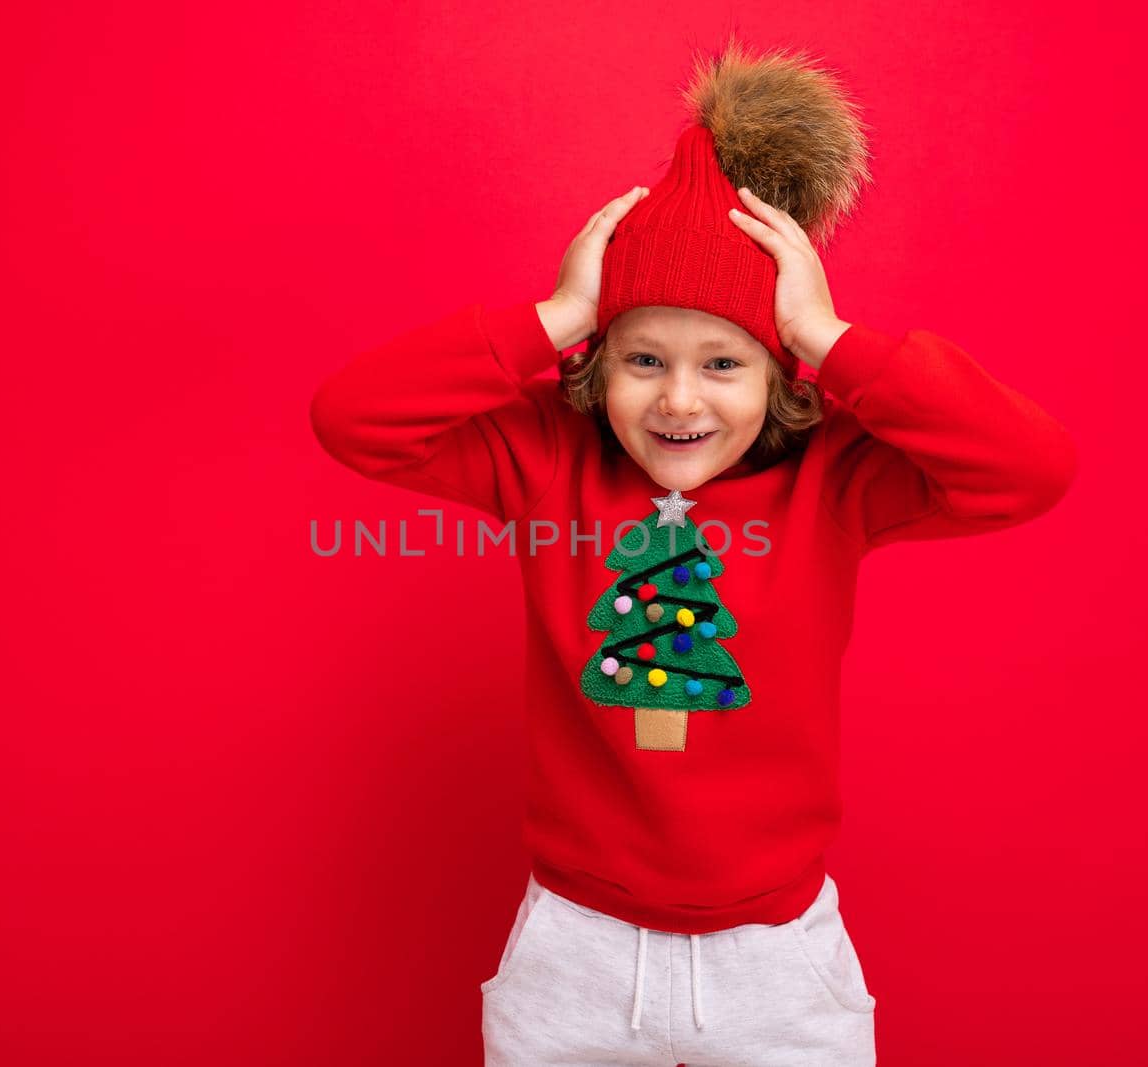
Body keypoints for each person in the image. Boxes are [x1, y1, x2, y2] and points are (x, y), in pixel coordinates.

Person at [309, 37, 1076, 1067]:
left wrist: (827, 330)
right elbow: (353, 417)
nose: (678, 398)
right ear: (598, 362)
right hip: (574, 945)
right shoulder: (547, 462)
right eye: (640, 358)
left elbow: (1028, 467)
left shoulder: (833, 481)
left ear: (782, 371)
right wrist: (557, 316)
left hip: (775, 954)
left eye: (723, 360)